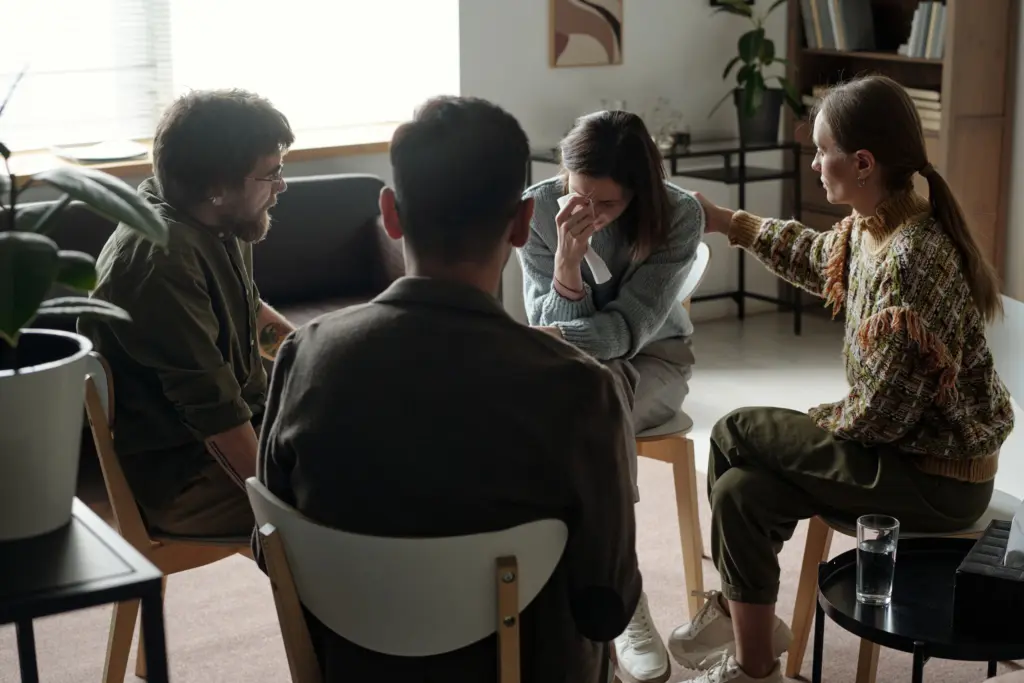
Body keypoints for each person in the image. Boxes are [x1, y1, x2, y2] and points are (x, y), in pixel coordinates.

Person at [254, 96, 642, 683]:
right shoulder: (581, 388)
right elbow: (605, 605)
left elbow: (272, 550)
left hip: (359, 670)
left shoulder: (303, 356)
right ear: (522, 224)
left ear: (391, 213)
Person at [667, 74, 1015, 683]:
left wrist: (812, 424)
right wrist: (725, 221)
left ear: (862, 163)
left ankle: (729, 612)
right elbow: (814, 254)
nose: (814, 163)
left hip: (935, 478)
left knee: (735, 431)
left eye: (822, 150)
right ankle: (755, 665)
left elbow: (882, 416)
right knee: (740, 494)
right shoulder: (872, 226)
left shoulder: (911, 260)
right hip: (899, 453)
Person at [519, 109, 705, 682]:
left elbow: (627, 331)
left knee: (596, 396)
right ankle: (601, 583)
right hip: (573, 376)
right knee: (580, 396)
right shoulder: (537, 210)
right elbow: (547, 328)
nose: (590, 213)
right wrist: (567, 261)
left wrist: (554, 336)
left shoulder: (679, 214)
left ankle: (621, 594)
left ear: (639, 190)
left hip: (657, 362)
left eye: (608, 204)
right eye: (580, 196)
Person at [79, 89, 296, 538]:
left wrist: (316, 365)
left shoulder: (216, 220)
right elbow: (215, 413)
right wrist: (279, 504)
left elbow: (249, 312)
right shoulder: (162, 260)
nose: (282, 186)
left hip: (239, 430)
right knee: (354, 489)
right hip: (185, 478)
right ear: (216, 186)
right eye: (271, 174)